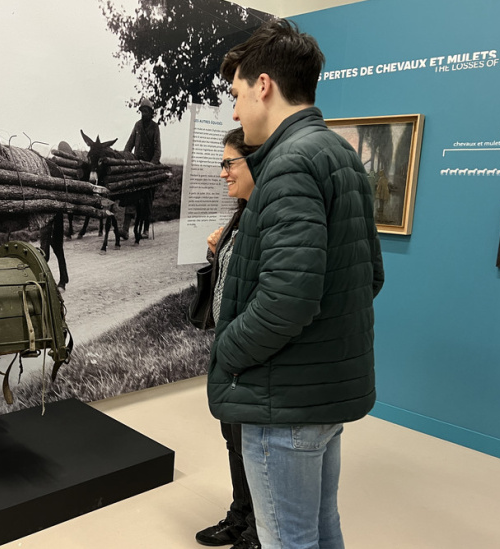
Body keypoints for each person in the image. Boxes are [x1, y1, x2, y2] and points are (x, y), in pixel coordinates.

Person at [209, 18, 384, 549]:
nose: (235, 111)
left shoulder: (289, 164)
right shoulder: (339, 156)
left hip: (283, 401)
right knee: (320, 530)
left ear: (264, 85)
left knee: (288, 540)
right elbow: (370, 274)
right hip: (321, 394)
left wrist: (227, 350)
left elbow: (288, 299)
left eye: (237, 94)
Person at [195, 127, 261, 549]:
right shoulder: (244, 213)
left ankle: (257, 531)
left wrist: (235, 346)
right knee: (234, 439)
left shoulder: (269, 216)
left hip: (246, 355)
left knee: (253, 446)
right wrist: (216, 253)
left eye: (228, 163)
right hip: (230, 351)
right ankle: (241, 516)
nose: (223, 173)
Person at [121, 97, 161, 239]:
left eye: (146, 111)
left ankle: (145, 228)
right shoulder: (137, 126)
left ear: (151, 113)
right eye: (142, 111)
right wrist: (125, 157)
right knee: (131, 194)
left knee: (147, 198)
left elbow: (157, 151)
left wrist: (151, 165)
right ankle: (125, 229)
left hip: (149, 167)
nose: (144, 114)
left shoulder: (155, 127)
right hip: (136, 166)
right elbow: (129, 143)